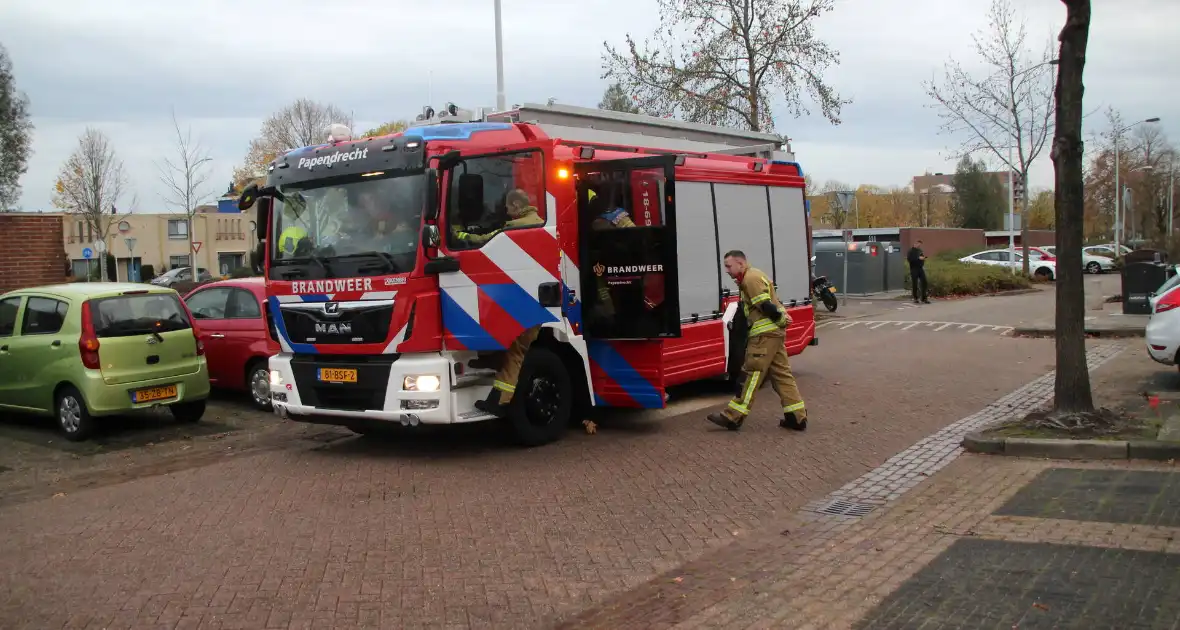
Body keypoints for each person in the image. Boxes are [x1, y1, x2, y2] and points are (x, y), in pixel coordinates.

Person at [706, 250, 808, 432]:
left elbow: (766, 306)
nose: (727, 271)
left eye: (729, 266)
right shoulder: (755, 275)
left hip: (764, 336)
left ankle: (733, 416)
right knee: (782, 375)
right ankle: (796, 417)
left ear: (741, 263)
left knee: (751, 374)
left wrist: (780, 319)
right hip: (773, 335)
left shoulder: (750, 279)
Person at [468, 190, 545, 415]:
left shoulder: (516, 227)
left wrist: (459, 236)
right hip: (536, 297)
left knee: (516, 350)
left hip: (527, 301)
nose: (507, 213)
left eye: (509, 208)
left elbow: (486, 239)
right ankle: (491, 362)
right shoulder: (540, 222)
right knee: (513, 346)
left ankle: (500, 401)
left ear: (516, 205)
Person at [907, 240, 930, 304]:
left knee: (924, 282)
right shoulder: (910, 251)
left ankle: (924, 298)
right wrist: (918, 258)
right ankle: (915, 298)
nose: (919, 246)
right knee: (915, 283)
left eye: (920, 245)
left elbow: (921, 257)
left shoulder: (920, 250)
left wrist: (923, 258)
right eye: (918, 244)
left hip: (920, 268)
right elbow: (910, 259)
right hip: (914, 269)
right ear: (915, 244)